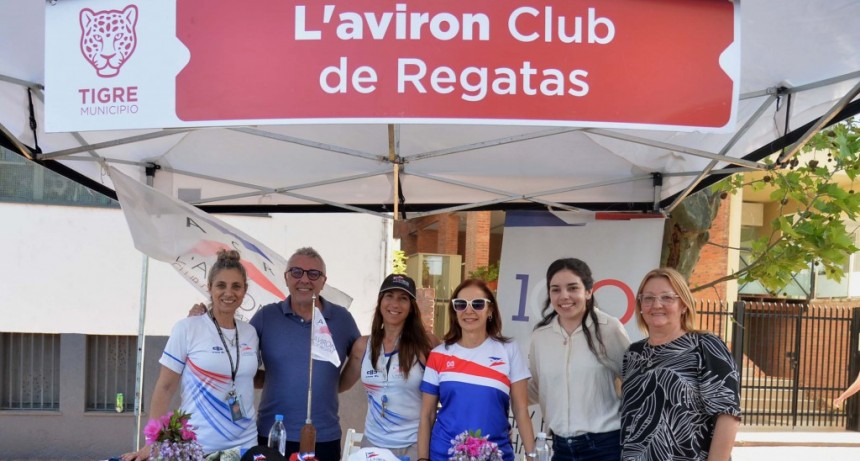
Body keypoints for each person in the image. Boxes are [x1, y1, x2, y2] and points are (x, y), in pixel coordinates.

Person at [122, 249, 259, 460]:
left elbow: (249, 379)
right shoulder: (188, 328)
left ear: (245, 290)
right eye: (221, 285)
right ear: (210, 288)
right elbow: (165, 387)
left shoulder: (250, 333)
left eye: (236, 286)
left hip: (246, 446)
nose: (229, 293)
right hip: (198, 447)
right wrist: (154, 441)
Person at [250, 247, 361, 461]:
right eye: (297, 272)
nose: (305, 280)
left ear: (323, 281)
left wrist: (333, 384)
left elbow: (360, 356)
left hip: (324, 437)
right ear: (286, 277)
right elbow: (238, 358)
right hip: (272, 434)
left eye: (313, 274)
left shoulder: (342, 319)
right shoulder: (266, 316)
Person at [620, 267, 741, 461]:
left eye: (667, 297)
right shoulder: (633, 354)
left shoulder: (705, 346)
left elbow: (727, 416)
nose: (656, 304)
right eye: (648, 298)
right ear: (641, 306)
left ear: (683, 305)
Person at [417, 279, 536, 461]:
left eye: (478, 304)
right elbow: (427, 414)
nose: (469, 310)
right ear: (454, 311)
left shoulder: (509, 350)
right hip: (443, 455)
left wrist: (532, 455)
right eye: (461, 304)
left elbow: (520, 410)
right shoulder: (438, 355)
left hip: (496, 455)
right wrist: (422, 458)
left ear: (490, 310)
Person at [528, 258, 630, 461]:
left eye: (572, 288)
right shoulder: (541, 336)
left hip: (605, 447)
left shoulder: (609, 328)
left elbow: (634, 382)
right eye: (555, 289)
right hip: (560, 449)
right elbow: (535, 388)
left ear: (588, 291)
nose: (564, 296)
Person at [339, 273, 441, 461]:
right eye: (389, 296)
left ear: (411, 307)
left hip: (413, 446)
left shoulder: (426, 344)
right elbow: (340, 385)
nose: (395, 304)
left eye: (403, 298)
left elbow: (447, 391)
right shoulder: (363, 346)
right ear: (380, 302)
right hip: (372, 444)